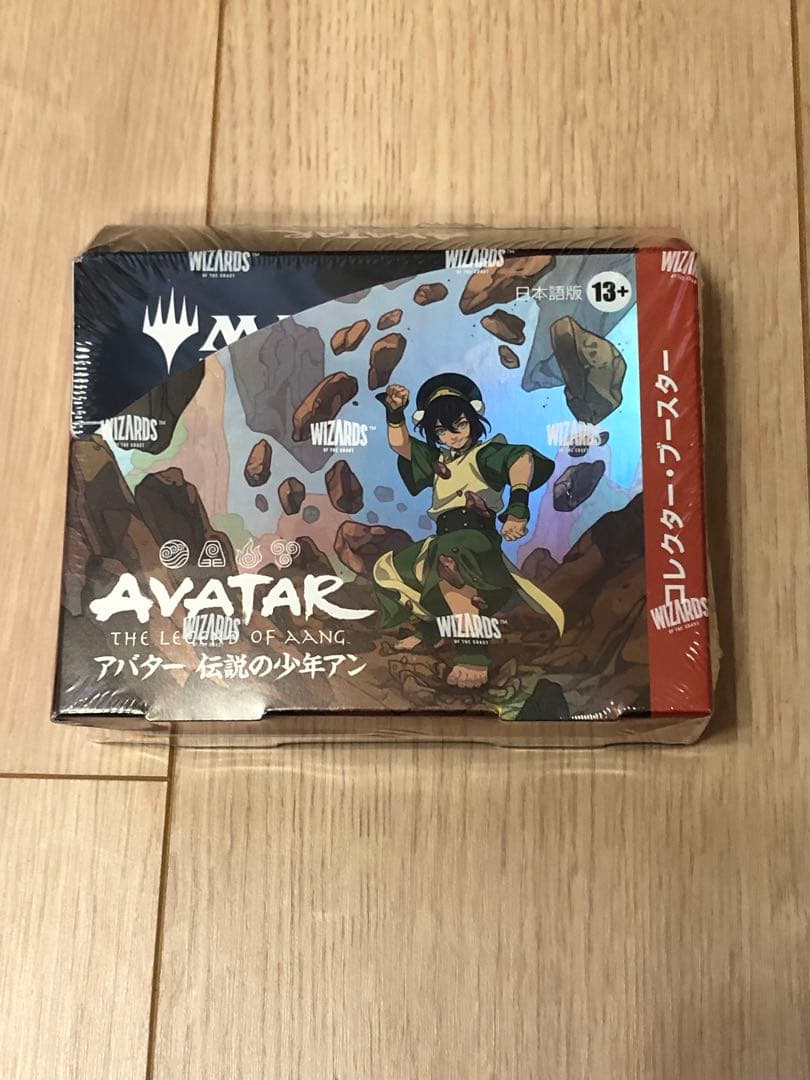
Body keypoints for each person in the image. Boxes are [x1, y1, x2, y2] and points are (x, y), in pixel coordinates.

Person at [373, 372, 564, 688]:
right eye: (441, 431)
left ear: (473, 420)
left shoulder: (484, 454)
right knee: (392, 571)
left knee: (453, 577)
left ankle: (473, 658)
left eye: (459, 425)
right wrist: (395, 412)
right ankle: (432, 631)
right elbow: (401, 445)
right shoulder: (439, 459)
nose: (452, 436)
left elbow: (522, 459)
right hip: (443, 537)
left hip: (474, 538)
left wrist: (518, 507)